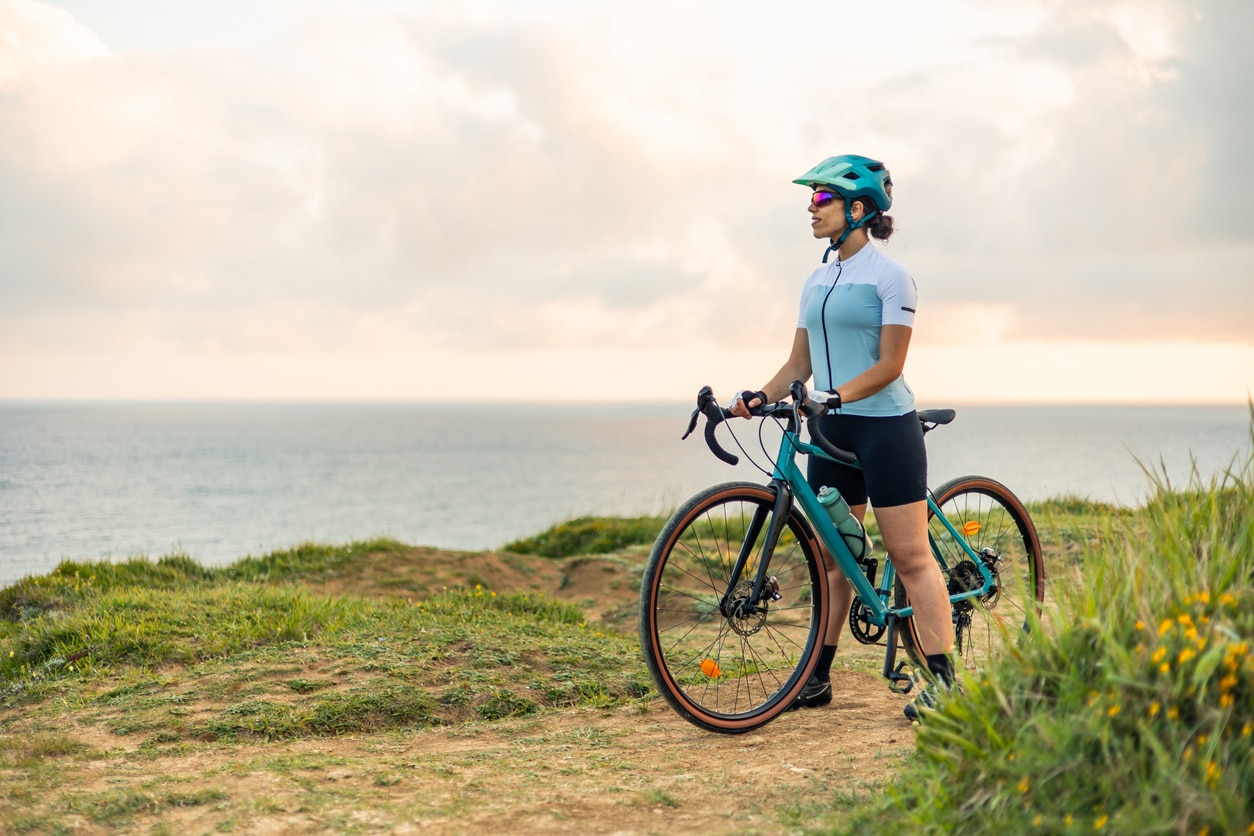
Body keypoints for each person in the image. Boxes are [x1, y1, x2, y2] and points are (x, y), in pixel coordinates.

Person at [729, 154, 954, 721]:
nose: (812, 206)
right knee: (833, 557)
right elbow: (798, 363)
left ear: (858, 210)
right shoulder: (816, 279)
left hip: (885, 428)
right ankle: (817, 677)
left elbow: (891, 365)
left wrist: (833, 396)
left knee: (910, 556)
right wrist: (757, 396)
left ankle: (946, 685)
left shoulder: (890, 276)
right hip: (831, 427)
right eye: (812, 198)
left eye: (823, 198)